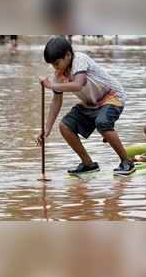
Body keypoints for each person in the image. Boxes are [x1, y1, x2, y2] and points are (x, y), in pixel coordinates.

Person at [36, 36, 135, 175]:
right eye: (52, 65)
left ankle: (127, 162)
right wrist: (47, 129)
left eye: (57, 63)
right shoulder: (59, 75)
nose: (55, 67)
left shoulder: (79, 59)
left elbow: (78, 84)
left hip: (112, 97)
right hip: (91, 104)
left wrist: (51, 85)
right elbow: (56, 100)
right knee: (65, 126)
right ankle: (88, 164)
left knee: (102, 123)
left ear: (68, 55)